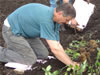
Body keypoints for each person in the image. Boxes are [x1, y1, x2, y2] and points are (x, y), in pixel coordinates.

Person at [0, 3, 78, 73]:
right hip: (12, 30)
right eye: (67, 20)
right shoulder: (46, 19)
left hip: (26, 32)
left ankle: (13, 46)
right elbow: (55, 49)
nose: (67, 23)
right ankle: (5, 50)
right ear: (60, 13)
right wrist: (71, 64)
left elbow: (57, 44)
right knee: (30, 59)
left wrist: (68, 60)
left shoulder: (56, 21)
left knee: (43, 54)